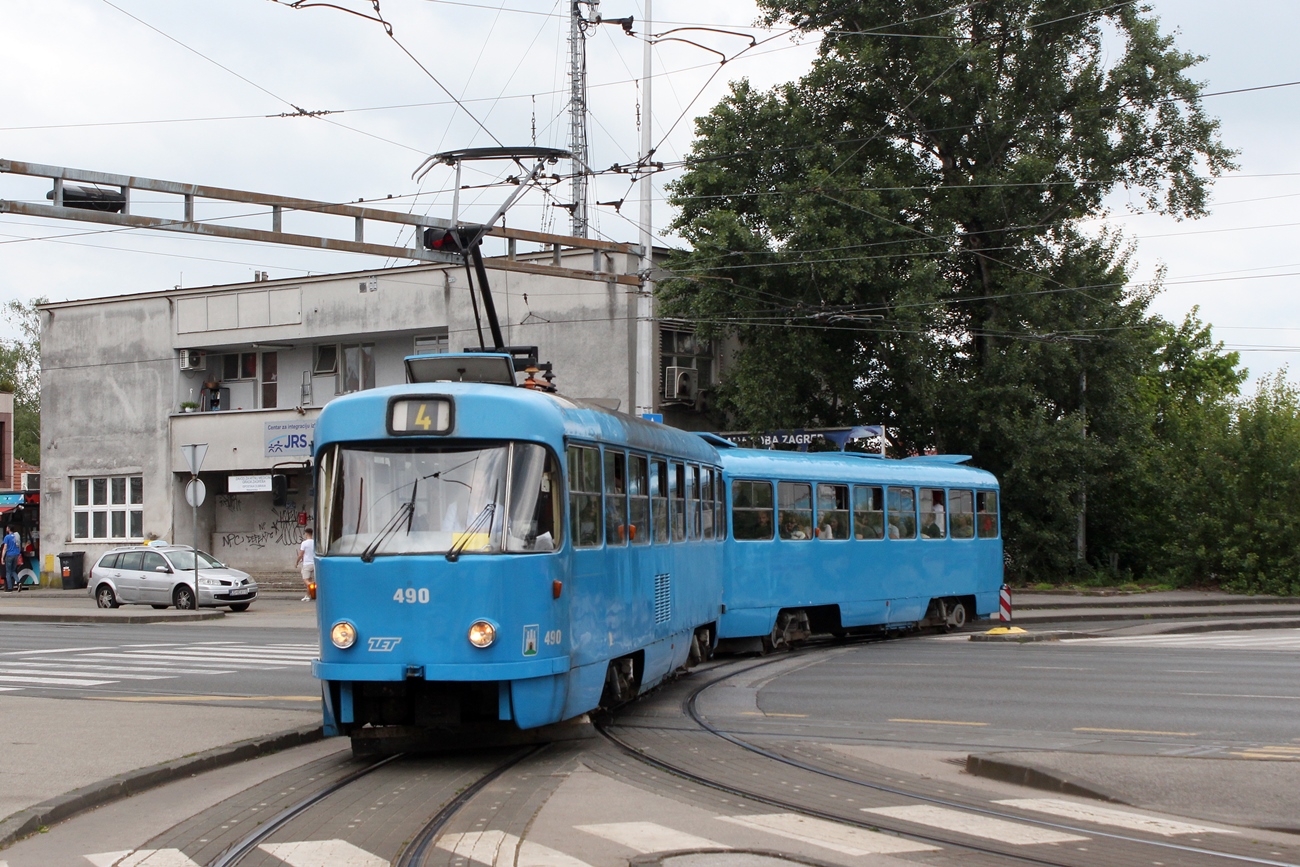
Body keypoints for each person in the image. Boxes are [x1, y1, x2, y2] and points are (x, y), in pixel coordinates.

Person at [295, 529, 315, 601]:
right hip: (314, 563)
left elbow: (300, 554)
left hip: (307, 564)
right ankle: (307, 596)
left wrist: (297, 562)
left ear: (306, 534)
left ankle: (312, 585)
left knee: (306, 580)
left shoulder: (304, 543)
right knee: (309, 579)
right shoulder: (315, 542)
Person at [2, 527, 20, 592]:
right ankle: (18, 582)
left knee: (8, 572)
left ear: (9, 529)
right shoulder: (16, 536)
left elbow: (5, 547)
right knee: (13, 570)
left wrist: (2, 557)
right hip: (16, 555)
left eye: (7, 528)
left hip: (9, 555)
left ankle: (10, 588)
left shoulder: (7, 537)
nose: (6, 529)